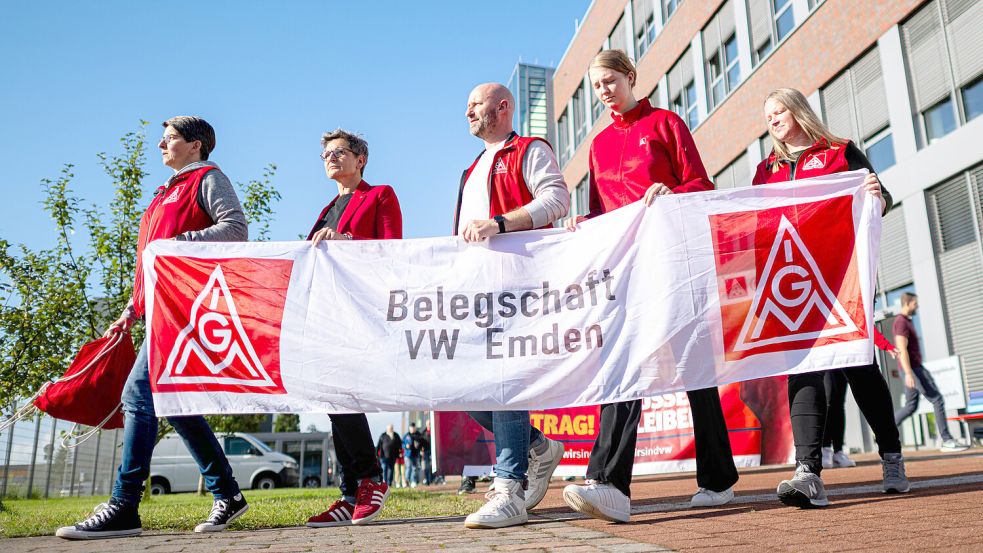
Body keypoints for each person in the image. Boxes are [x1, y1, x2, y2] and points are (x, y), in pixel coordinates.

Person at [562, 50, 739, 523]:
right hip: (626, 271)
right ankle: (609, 483)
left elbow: (703, 184)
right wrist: (585, 222)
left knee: (694, 369)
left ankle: (718, 480)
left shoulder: (666, 123)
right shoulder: (598, 146)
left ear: (630, 77)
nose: (604, 90)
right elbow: (604, 213)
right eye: (597, 85)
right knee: (619, 364)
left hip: (675, 262)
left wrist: (670, 191)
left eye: (610, 80)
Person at [56, 116, 250, 540]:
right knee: (176, 406)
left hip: (187, 306)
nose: (161, 146)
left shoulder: (208, 178)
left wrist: (178, 245)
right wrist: (131, 307)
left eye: (170, 140)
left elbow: (235, 228)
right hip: (158, 308)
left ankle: (124, 506)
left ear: (195, 145)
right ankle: (229, 494)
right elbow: (151, 260)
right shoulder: (164, 193)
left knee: (136, 394)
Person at [752, 87, 910, 507]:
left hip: (844, 279)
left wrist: (878, 195)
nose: (773, 119)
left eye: (779, 109)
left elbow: (883, 199)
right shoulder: (766, 169)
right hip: (794, 284)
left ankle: (891, 456)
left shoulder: (840, 152)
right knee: (802, 366)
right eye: (767, 115)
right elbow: (754, 220)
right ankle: (808, 472)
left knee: (858, 366)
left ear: (798, 109)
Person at [457, 82, 569, 529]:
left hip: (519, 285)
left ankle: (509, 488)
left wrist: (499, 224)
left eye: (475, 104)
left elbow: (556, 199)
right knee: (462, 389)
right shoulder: (470, 170)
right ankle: (540, 447)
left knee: (504, 381)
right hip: (477, 289)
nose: (467, 112)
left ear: (502, 108)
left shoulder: (529, 149)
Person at [304, 128, 401, 528]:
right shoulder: (327, 208)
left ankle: (371, 480)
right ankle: (349, 493)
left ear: (360, 159)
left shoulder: (380, 195)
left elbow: (393, 249)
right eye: (325, 154)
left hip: (360, 309)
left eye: (339, 152)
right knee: (332, 399)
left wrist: (344, 241)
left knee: (345, 395)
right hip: (326, 313)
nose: (330, 158)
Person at [893, 293, 969, 452]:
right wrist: (908, 373)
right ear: (907, 303)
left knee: (911, 406)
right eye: (915, 303)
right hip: (913, 369)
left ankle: (884, 430)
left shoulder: (906, 321)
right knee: (937, 399)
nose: (917, 306)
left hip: (913, 368)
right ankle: (947, 440)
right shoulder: (901, 322)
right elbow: (901, 349)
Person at [823, 332, 899, 468]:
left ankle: (838, 451)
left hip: (846, 350)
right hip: (826, 351)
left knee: (839, 403)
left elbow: (864, 322)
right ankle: (825, 449)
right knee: (829, 399)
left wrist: (885, 345)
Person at [403, 422, 422, 488]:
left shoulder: (418, 434)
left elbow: (421, 442)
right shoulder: (406, 435)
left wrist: (419, 446)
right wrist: (406, 446)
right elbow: (402, 444)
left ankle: (413, 481)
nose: (412, 429)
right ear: (409, 428)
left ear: (415, 428)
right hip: (408, 455)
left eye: (413, 428)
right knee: (408, 468)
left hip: (416, 454)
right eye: (411, 428)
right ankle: (406, 481)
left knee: (414, 468)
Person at [421, 419, 433, 485]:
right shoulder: (423, 432)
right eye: (428, 424)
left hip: (433, 451)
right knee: (426, 466)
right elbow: (421, 442)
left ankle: (432, 479)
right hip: (426, 451)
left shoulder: (434, 431)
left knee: (432, 466)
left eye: (430, 423)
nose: (429, 425)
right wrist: (421, 450)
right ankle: (427, 480)